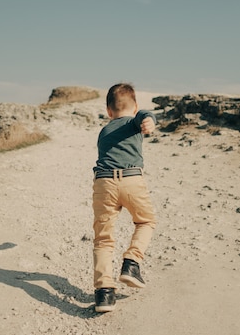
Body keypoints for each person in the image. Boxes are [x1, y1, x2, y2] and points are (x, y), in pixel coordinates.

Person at [91, 83, 157, 313]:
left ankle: (104, 293)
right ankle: (131, 262)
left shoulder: (104, 131)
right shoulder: (134, 122)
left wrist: (144, 119)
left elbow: (141, 116)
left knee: (103, 238)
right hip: (131, 181)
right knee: (145, 221)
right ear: (135, 105)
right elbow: (144, 116)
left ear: (109, 111)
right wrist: (148, 121)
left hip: (103, 183)